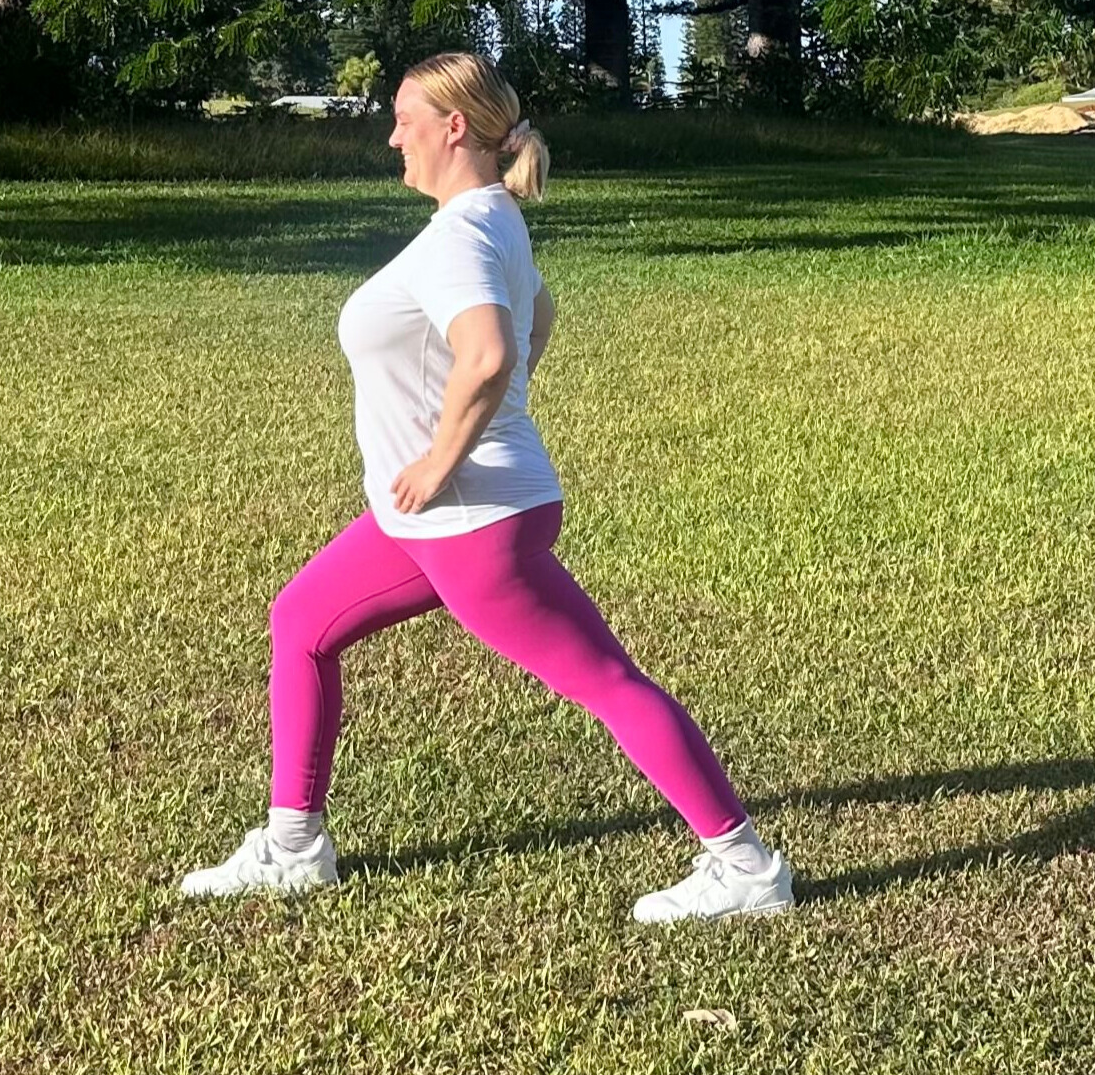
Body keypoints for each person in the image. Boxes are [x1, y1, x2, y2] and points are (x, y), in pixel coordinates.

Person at [180, 52, 793, 922]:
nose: (393, 135)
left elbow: (492, 352)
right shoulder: (492, 219)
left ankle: (746, 867)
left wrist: (440, 458)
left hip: (468, 514)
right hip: (441, 514)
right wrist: (490, 427)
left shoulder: (462, 235)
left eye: (404, 118)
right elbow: (537, 314)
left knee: (605, 680)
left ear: (454, 127)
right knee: (302, 622)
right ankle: (292, 846)